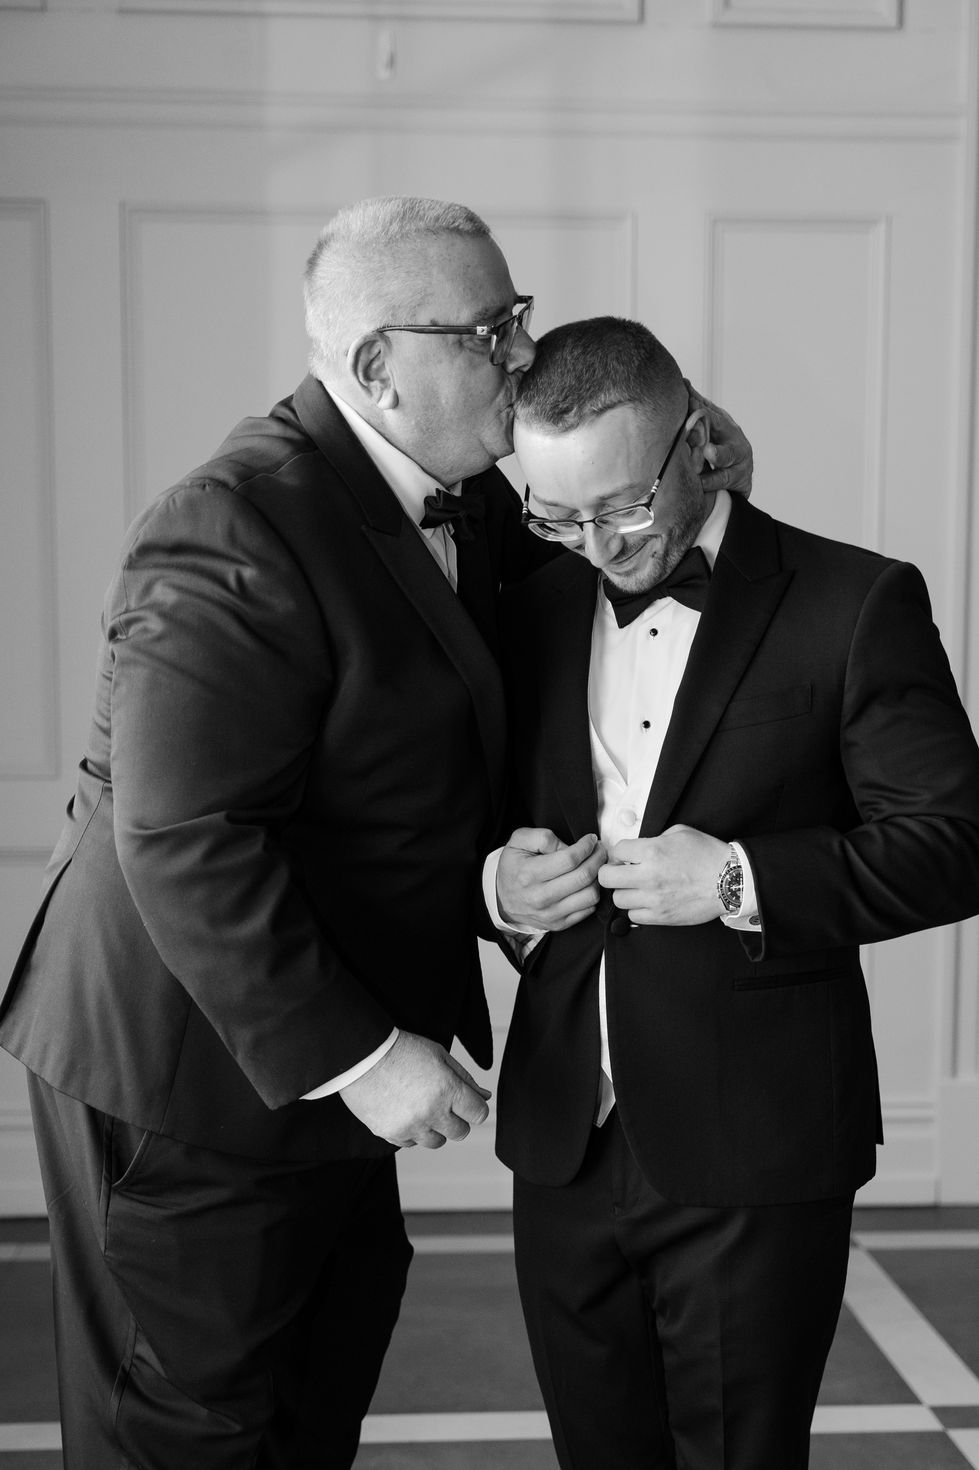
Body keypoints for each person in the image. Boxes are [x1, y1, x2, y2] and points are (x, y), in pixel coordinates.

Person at [0, 202, 749, 1468]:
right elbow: (186, 836)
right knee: (185, 1431)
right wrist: (366, 1059)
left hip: (321, 1060)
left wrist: (690, 470)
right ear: (374, 370)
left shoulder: (466, 501)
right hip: (192, 1069)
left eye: (517, 319)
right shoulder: (231, 524)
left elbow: (465, 710)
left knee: (309, 1400)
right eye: (488, 332)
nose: (523, 354)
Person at [489, 315, 979, 1470]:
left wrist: (735, 878)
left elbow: (955, 842)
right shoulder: (530, 607)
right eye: (559, 515)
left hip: (759, 1146)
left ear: (694, 438)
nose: (598, 546)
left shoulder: (853, 602)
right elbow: (465, 818)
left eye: (622, 508)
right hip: (565, 1136)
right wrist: (498, 886)